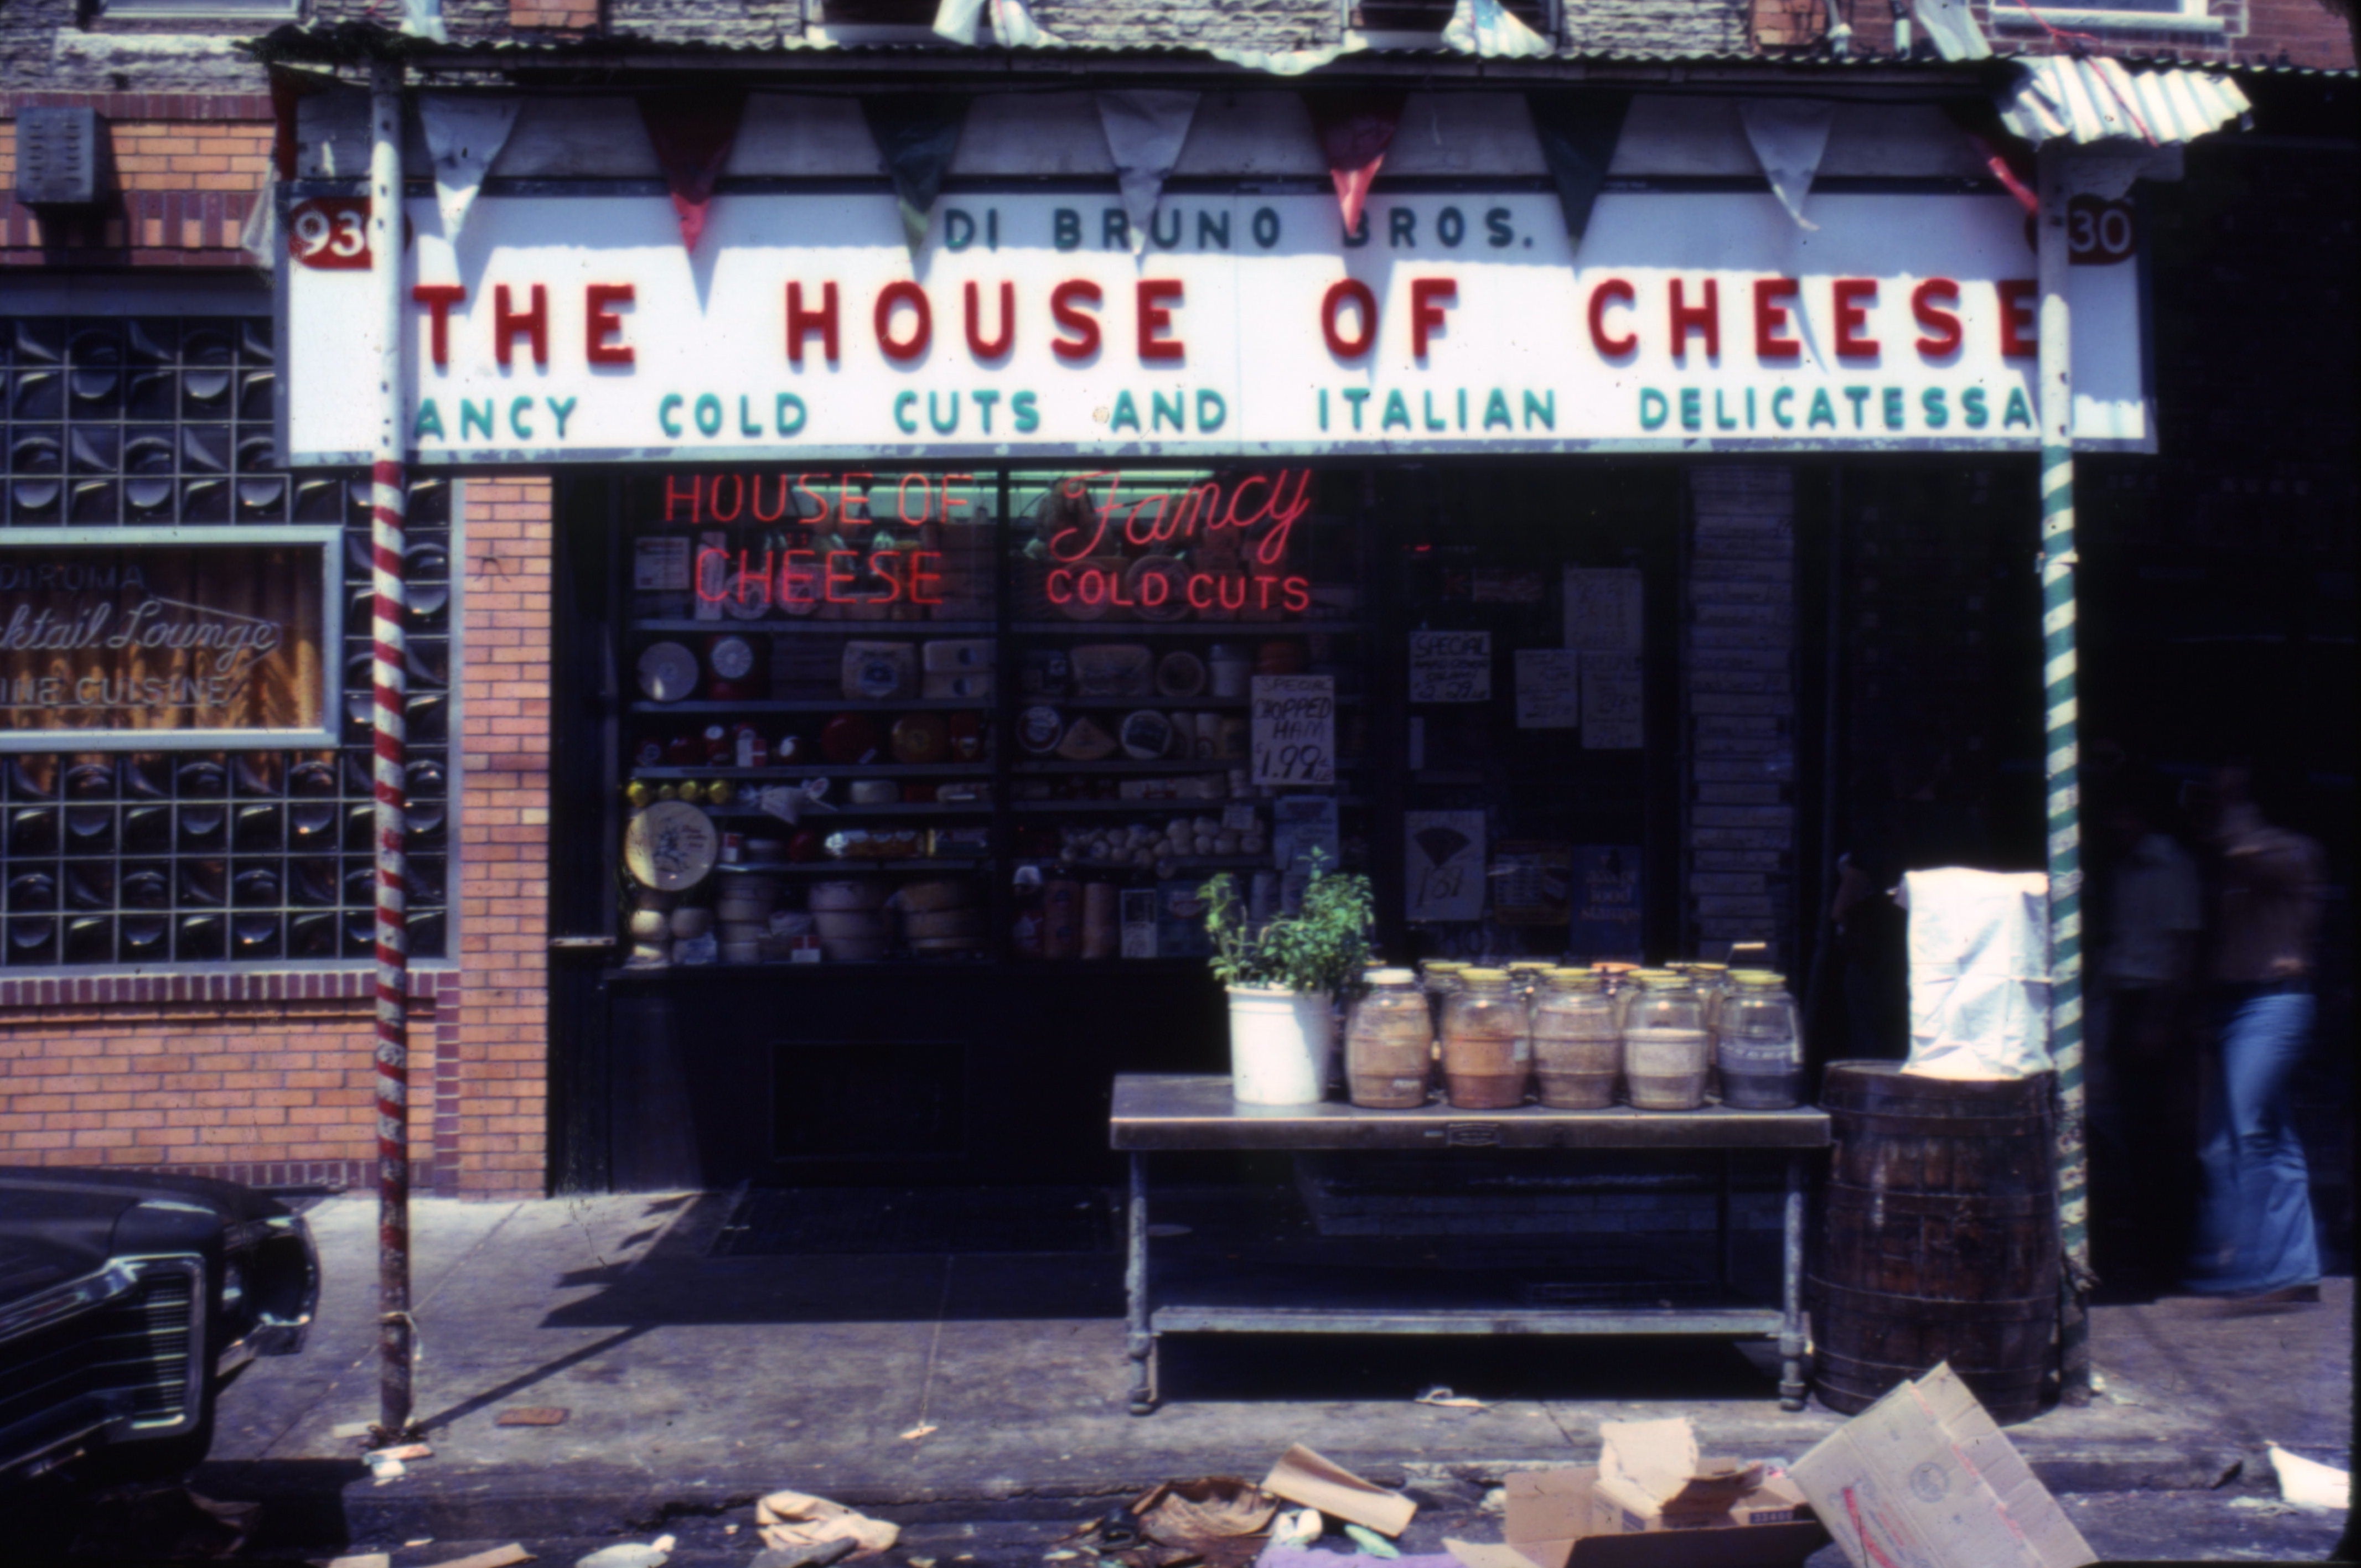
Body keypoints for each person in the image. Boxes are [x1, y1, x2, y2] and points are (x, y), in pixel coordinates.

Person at [2183, 764, 2327, 1304]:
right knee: (2255, 1136)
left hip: (2274, 1004)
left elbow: (2243, 853)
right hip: (2239, 1003)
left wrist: (2227, 806)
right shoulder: (2243, 857)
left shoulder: (2291, 850)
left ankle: (2255, 1268)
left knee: (2249, 1132)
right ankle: (2292, 1268)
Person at [2085, 777, 2204, 1289]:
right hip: (2124, 1000)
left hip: (2154, 1005)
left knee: (2157, 1135)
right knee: (2132, 1132)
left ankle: (2167, 1258)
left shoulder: (2170, 866)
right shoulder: (2123, 869)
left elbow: (2182, 949)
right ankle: (2144, 1250)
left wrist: (2158, 1020)